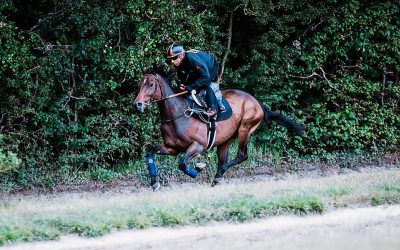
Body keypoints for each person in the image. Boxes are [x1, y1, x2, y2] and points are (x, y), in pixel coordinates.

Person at [166, 43, 225, 118]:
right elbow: (182, 75)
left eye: (174, 58)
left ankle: (213, 109)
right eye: (170, 59)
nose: (172, 61)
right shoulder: (178, 62)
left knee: (205, 84)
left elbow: (205, 76)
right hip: (195, 70)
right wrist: (183, 84)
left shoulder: (193, 60)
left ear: (181, 55)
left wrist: (190, 87)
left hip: (210, 68)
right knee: (188, 86)